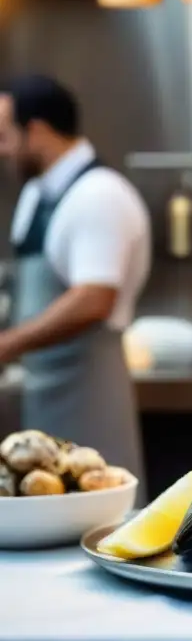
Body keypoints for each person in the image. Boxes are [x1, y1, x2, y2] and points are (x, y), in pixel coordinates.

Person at [0, 75, 151, 492]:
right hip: (41, 390)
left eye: (5, 135)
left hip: (89, 391)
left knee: (101, 506)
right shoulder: (35, 195)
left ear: (38, 131)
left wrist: (8, 344)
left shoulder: (100, 194)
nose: (2, 149)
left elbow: (93, 300)